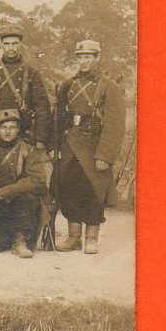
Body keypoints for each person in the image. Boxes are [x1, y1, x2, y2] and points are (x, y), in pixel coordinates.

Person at [53, 39, 126, 254]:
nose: (84, 62)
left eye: (88, 57)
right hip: (69, 146)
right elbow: (58, 118)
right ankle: (73, 237)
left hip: (94, 147)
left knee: (94, 192)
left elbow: (114, 124)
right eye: (80, 57)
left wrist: (105, 155)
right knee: (70, 189)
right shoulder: (68, 85)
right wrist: (55, 146)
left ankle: (91, 238)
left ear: (97, 58)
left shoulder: (109, 87)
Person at [0, 108, 48, 258]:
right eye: (3, 127)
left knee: (29, 197)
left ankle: (20, 240)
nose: (7, 132)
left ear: (18, 129)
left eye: (12, 128)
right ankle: (8, 236)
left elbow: (38, 179)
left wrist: (8, 191)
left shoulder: (27, 149)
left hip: (19, 201)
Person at [0, 25, 51, 150]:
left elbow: (42, 107)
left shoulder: (31, 72)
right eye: (6, 44)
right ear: (1, 44)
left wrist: (40, 138)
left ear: (21, 44)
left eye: (14, 44)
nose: (10, 48)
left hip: (23, 133)